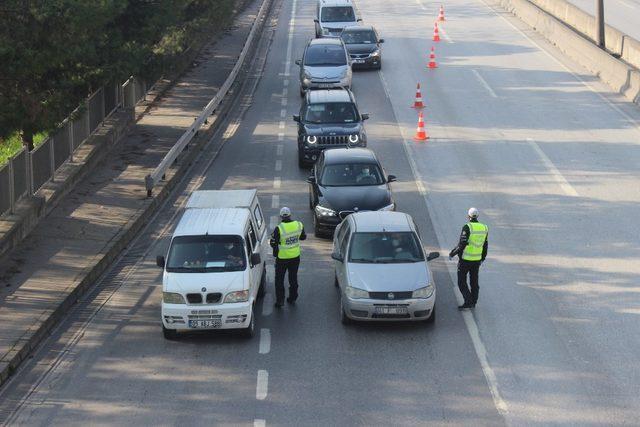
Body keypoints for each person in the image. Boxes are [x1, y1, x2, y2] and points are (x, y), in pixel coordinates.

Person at [449, 207, 488, 310]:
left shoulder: (467, 227)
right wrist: (482, 258)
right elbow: (485, 245)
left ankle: (468, 301)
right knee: (474, 282)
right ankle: (473, 301)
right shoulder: (484, 227)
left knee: (461, 282)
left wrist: (452, 253)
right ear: (477, 216)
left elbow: (462, 244)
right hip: (476, 261)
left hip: (465, 260)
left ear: (468, 216)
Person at [270, 207, 306, 307]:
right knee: (293, 278)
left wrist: (275, 254)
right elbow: (303, 237)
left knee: (279, 280)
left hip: (282, 259)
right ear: (290, 215)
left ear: (281, 216)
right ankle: (293, 298)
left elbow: (273, 243)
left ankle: (280, 301)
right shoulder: (299, 225)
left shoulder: (279, 228)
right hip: (295, 257)